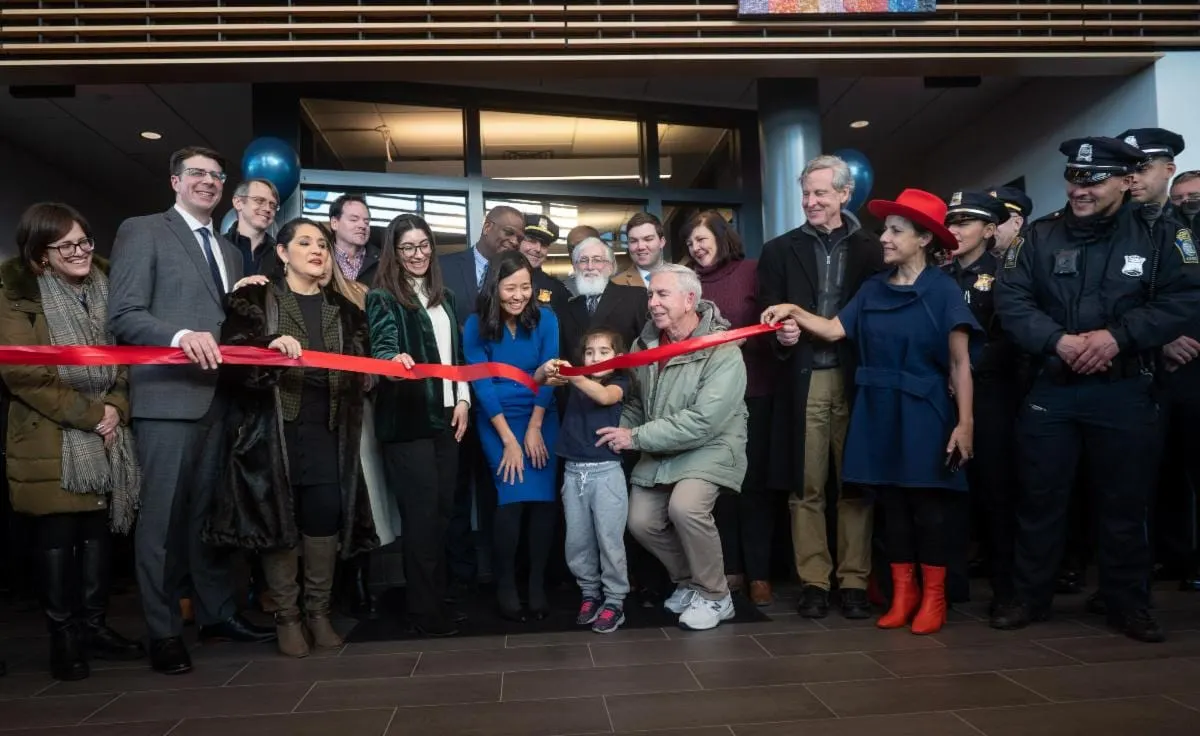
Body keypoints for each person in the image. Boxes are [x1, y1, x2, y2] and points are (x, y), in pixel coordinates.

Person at [994, 137, 1200, 642]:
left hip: (1125, 387)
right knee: (1040, 499)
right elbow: (1012, 300)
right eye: (1074, 178)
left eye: (1094, 179)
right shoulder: (1038, 237)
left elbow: (1185, 298)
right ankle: (1029, 596)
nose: (1080, 189)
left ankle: (1127, 603)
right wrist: (1058, 342)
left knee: (1125, 503)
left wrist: (1116, 338)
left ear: (1126, 181)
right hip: (1053, 386)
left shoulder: (1161, 234)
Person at [763, 188, 979, 636]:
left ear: (923, 239)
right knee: (893, 508)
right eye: (885, 229)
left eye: (896, 231)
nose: (884, 237)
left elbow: (961, 364)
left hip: (924, 410)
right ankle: (903, 595)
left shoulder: (943, 290)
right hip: (877, 409)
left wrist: (965, 424)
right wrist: (793, 310)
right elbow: (830, 329)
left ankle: (933, 597)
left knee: (928, 509)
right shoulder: (872, 288)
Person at [108, 146, 274, 676]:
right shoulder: (143, 230)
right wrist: (179, 335)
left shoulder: (227, 252)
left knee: (208, 521)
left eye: (215, 176)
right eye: (196, 174)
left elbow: (224, 323)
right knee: (159, 523)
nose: (207, 182)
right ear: (175, 181)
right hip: (166, 401)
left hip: (216, 401)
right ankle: (162, 630)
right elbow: (125, 315)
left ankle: (216, 614)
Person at [205, 217, 379, 658]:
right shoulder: (254, 299)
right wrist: (269, 347)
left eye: (321, 244)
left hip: (329, 431)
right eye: (305, 243)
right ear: (282, 253)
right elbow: (233, 359)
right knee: (279, 522)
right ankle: (287, 615)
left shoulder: (347, 311)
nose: (316, 250)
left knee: (323, 518)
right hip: (273, 433)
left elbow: (364, 371)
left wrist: (389, 365)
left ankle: (318, 611)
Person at [1, 203, 145, 681]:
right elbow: (24, 373)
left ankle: (95, 628)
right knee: (59, 540)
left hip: (108, 434)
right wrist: (91, 414)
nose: (81, 252)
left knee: (97, 537)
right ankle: (64, 638)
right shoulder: (17, 293)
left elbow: (128, 356)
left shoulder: (109, 285)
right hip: (51, 437)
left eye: (85, 241)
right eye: (67, 246)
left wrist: (116, 409)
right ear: (41, 254)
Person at [757, 154, 884, 619]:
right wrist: (783, 333)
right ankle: (814, 581)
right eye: (806, 193)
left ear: (844, 195)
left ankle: (854, 581)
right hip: (803, 379)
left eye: (820, 193)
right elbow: (769, 312)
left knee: (854, 485)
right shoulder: (778, 250)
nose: (810, 201)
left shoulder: (874, 249)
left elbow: (878, 317)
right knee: (805, 486)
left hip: (857, 380)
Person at [599, 264, 748, 631]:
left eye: (662, 295)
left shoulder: (722, 349)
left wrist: (636, 439)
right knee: (640, 521)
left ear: (690, 299)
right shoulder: (644, 344)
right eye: (651, 295)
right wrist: (621, 430)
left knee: (686, 507)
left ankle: (717, 596)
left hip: (712, 446)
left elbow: (704, 421)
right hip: (661, 447)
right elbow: (636, 402)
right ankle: (689, 583)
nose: (653, 303)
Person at [366, 214, 472, 637]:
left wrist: (463, 400)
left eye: (424, 245)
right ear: (394, 251)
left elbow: (457, 359)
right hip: (408, 423)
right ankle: (423, 612)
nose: (417, 254)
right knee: (422, 518)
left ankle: (435, 600)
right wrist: (392, 363)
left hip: (448, 419)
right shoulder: (382, 298)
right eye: (408, 247)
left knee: (443, 514)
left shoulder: (444, 297)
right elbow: (385, 350)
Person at [683, 211, 778, 606]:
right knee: (716, 487)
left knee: (753, 485)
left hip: (754, 390)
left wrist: (737, 342)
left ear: (723, 238)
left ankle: (760, 574)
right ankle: (730, 569)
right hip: (705, 401)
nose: (696, 248)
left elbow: (770, 326)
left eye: (702, 239)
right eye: (690, 243)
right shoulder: (686, 282)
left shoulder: (753, 271)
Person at [463, 249, 560, 621]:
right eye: (510, 288)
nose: (519, 295)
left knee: (544, 503)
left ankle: (535, 584)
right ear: (494, 287)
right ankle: (506, 583)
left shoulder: (547, 319)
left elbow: (551, 372)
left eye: (525, 287)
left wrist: (535, 428)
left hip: (541, 414)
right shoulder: (475, 324)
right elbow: (481, 384)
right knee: (511, 498)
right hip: (497, 419)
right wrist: (509, 439)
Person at [439, 205, 526, 596]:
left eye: (519, 236)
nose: (513, 240)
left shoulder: (518, 273)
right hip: (455, 399)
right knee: (456, 491)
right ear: (487, 226)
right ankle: (461, 574)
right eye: (507, 232)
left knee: (498, 489)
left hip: (501, 404)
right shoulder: (445, 266)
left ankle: (498, 570)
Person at [942, 191, 1021, 613]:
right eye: (950, 222)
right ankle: (952, 588)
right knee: (951, 491)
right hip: (944, 394)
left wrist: (967, 370)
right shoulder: (938, 275)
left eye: (964, 223)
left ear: (989, 231)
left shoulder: (1006, 274)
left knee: (996, 490)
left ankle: (1006, 590)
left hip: (991, 393)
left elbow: (1012, 335)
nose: (953, 230)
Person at [539, 329, 632, 634]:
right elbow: (540, 382)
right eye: (589, 353)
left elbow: (603, 396)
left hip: (606, 475)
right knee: (577, 542)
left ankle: (615, 601)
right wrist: (550, 370)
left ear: (618, 358)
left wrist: (576, 375)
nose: (595, 358)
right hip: (573, 473)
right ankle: (590, 594)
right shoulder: (575, 384)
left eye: (604, 352)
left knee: (609, 541)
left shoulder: (620, 383)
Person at [559, 237, 648, 364]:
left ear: (610, 267)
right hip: (578, 382)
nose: (590, 266)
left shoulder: (636, 297)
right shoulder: (568, 307)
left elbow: (647, 348)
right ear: (575, 267)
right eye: (584, 260)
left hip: (624, 381)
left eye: (597, 260)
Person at [226, 178, 280, 277]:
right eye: (259, 201)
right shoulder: (217, 246)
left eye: (273, 205)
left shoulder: (280, 253)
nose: (268, 209)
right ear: (238, 203)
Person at [520, 213, 571, 316]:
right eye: (531, 240)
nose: (538, 249)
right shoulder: (497, 278)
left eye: (544, 244)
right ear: (518, 241)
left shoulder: (557, 289)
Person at [329, 194, 381, 286]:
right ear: (334, 223)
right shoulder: (323, 258)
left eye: (366, 222)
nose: (362, 226)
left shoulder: (383, 261)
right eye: (354, 220)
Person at [612, 213, 666, 288]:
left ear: (661, 242)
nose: (640, 247)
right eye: (633, 241)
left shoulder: (683, 277)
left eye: (648, 239)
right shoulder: (615, 285)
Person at [988, 186, 1034, 258]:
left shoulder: (1034, 256)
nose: (989, 227)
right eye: (985, 220)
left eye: (997, 219)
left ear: (1017, 223)